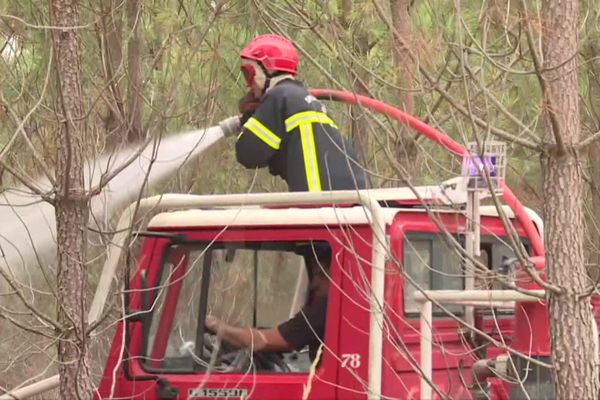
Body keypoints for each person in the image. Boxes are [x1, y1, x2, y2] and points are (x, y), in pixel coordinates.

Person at [219, 34, 366, 192]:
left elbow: (248, 153)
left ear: (268, 69)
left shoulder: (279, 97)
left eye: (249, 74)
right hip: (353, 200)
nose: (249, 85)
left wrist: (249, 120)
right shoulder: (304, 100)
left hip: (321, 205)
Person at [204, 245, 331, 362]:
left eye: (321, 275)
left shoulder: (324, 310)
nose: (314, 284)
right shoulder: (329, 311)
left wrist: (217, 326)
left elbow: (262, 341)